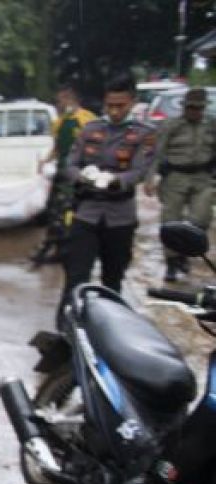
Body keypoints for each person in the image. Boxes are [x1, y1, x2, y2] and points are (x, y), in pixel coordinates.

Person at [61, 72, 157, 309]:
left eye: (120, 106)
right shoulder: (90, 129)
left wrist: (115, 181)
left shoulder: (144, 133)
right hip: (86, 212)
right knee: (76, 276)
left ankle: (108, 328)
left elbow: (139, 171)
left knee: (112, 281)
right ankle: (66, 329)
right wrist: (82, 176)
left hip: (120, 216)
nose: (114, 111)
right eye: (110, 105)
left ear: (132, 102)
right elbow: (70, 163)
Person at [147, 87, 215, 282]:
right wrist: (151, 178)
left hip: (202, 177)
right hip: (176, 177)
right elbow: (157, 153)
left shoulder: (211, 125)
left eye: (199, 108)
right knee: (170, 221)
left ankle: (185, 253)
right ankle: (172, 262)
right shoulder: (171, 125)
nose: (194, 111)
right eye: (191, 107)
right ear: (185, 107)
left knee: (200, 219)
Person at [31, 85, 96, 266]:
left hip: (78, 175)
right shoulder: (59, 122)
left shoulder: (87, 119)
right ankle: (58, 248)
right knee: (55, 212)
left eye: (61, 100)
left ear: (70, 99)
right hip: (61, 173)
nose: (59, 104)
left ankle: (69, 249)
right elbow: (57, 148)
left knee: (69, 212)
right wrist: (44, 161)